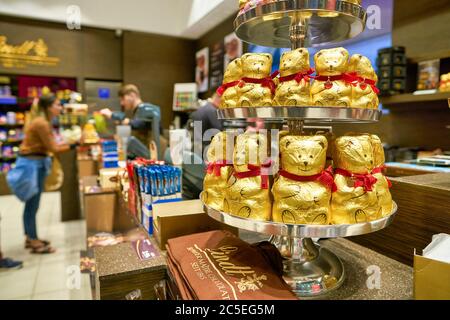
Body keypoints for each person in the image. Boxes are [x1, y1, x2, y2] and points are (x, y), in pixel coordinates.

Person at [14, 94, 73, 254]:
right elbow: (53, 148)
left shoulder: (42, 121)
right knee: (32, 203)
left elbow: (50, 145)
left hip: (33, 163)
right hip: (32, 166)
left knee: (31, 203)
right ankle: (33, 240)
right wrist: (75, 145)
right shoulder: (41, 123)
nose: (60, 108)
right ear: (48, 107)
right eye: (57, 105)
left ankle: (30, 236)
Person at [101, 84, 166, 158]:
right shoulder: (138, 111)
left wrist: (112, 115)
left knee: (129, 141)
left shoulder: (145, 108)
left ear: (132, 95)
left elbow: (138, 124)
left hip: (155, 152)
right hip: (148, 153)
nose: (122, 103)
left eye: (123, 99)